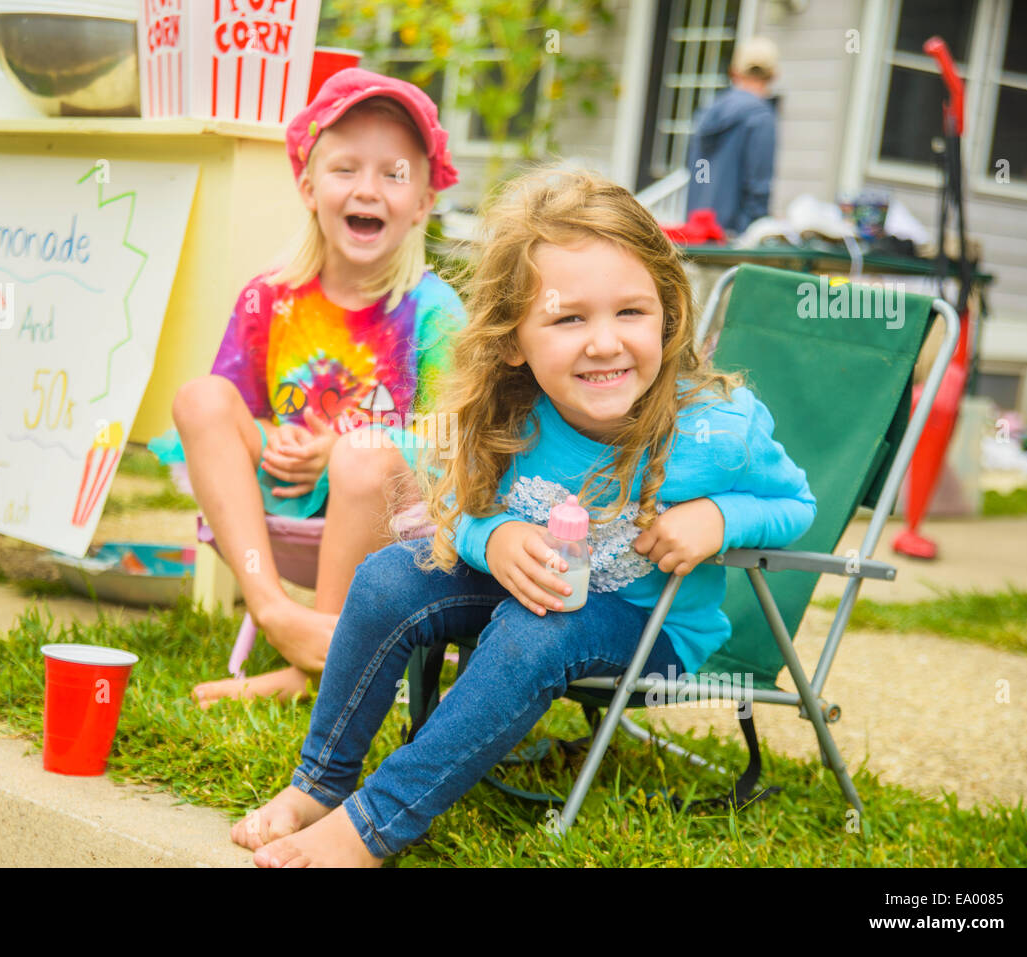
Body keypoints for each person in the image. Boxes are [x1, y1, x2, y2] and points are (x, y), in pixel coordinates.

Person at [232, 166, 817, 866]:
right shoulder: (507, 413)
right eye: (569, 318)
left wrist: (719, 518)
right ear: (513, 338)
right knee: (390, 575)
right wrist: (494, 533)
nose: (604, 342)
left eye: (631, 312)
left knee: (534, 628)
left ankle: (372, 825)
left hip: (648, 624)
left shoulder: (717, 429)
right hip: (526, 587)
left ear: (668, 314)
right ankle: (319, 783)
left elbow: (796, 505)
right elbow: (450, 501)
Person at [167, 69, 464, 707]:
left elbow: (451, 440)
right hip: (288, 501)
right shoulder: (269, 297)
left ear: (424, 201)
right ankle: (276, 614)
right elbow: (237, 414)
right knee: (198, 398)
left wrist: (343, 448)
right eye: (346, 169)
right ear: (307, 185)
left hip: (390, 516)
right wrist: (283, 438)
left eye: (395, 174)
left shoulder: (434, 312)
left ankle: (318, 663)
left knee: (363, 455)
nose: (369, 189)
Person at [684, 36, 779, 236]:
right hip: (734, 236)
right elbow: (758, 186)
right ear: (773, 75)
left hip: (698, 230)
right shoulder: (760, 117)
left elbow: (699, 172)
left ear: (734, 71)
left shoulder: (708, 112)